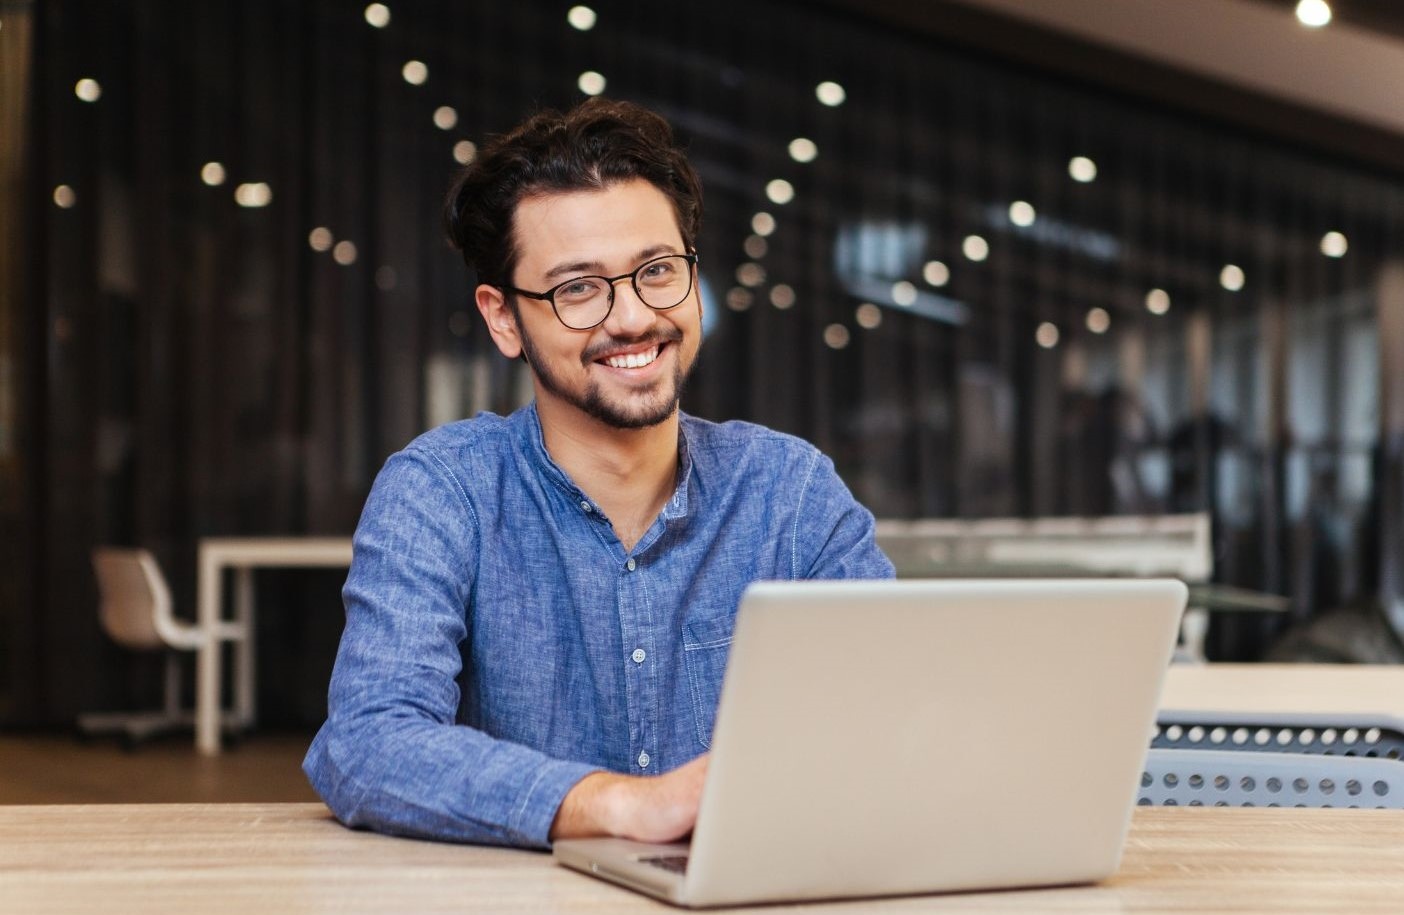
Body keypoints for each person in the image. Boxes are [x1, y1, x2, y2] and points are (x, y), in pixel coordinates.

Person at [303, 97, 894, 849]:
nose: (632, 317)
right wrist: (616, 804)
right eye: (578, 287)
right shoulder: (442, 491)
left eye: (656, 270)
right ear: (504, 318)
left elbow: (891, 715)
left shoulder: (789, 490)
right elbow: (367, 744)